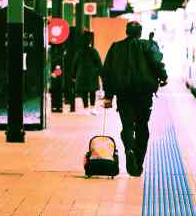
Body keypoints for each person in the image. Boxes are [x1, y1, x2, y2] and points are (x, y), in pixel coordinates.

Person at [101, 21, 168, 176]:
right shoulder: (148, 45)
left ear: (126, 32)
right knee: (142, 126)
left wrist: (108, 96)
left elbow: (107, 73)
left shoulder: (116, 47)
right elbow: (157, 63)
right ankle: (138, 160)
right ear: (140, 32)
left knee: (127, 126)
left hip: (123, 94)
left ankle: (129, 148)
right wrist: (164, 78)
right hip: (144, 94)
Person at [72, 32, 102, 115]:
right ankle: (93, 108)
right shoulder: (93, 51)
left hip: (81, 74)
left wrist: (73, 75)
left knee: (84, 92)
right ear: (90, 42)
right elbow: (99, 63)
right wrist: (101, 73)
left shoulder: (79, 52)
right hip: (92, 74)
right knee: (92, 91)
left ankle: (86, 108)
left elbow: (75, 64)